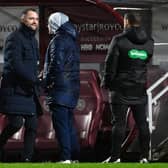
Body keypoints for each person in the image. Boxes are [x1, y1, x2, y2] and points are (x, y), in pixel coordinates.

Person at [102, 12, 154, 163]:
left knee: (119, 123)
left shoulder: (118, 40)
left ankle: (115, 157)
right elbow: (146, 61)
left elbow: (110, 63)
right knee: (142, 123)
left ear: (126, 22)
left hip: (120, 88)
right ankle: (144, 157)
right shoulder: (150, 41)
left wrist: (107, 82)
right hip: (139, 87)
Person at [0, 8, 42, 162]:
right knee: (16, 123)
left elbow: (34, 65)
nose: (34, 22)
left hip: (29, 91)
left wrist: (38, 79)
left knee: (32, 125)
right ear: (23, 20)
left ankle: (27, 160)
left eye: (36, 19)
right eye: (31, 18)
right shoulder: (14, 38)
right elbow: (15, 64)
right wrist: (34, 79)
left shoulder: (33, 41)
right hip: (14, 90)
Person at [43, 12, 80, 163]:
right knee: (69, 126)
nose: (47, 26)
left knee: (61, 126)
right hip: (71, 89)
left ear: (55, 23)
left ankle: (65, 158)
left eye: (49, 22)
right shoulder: (72, 40)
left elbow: (55, 65)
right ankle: (74, 158)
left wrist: (46, 82)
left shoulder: (58, 40)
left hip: (59, 88)